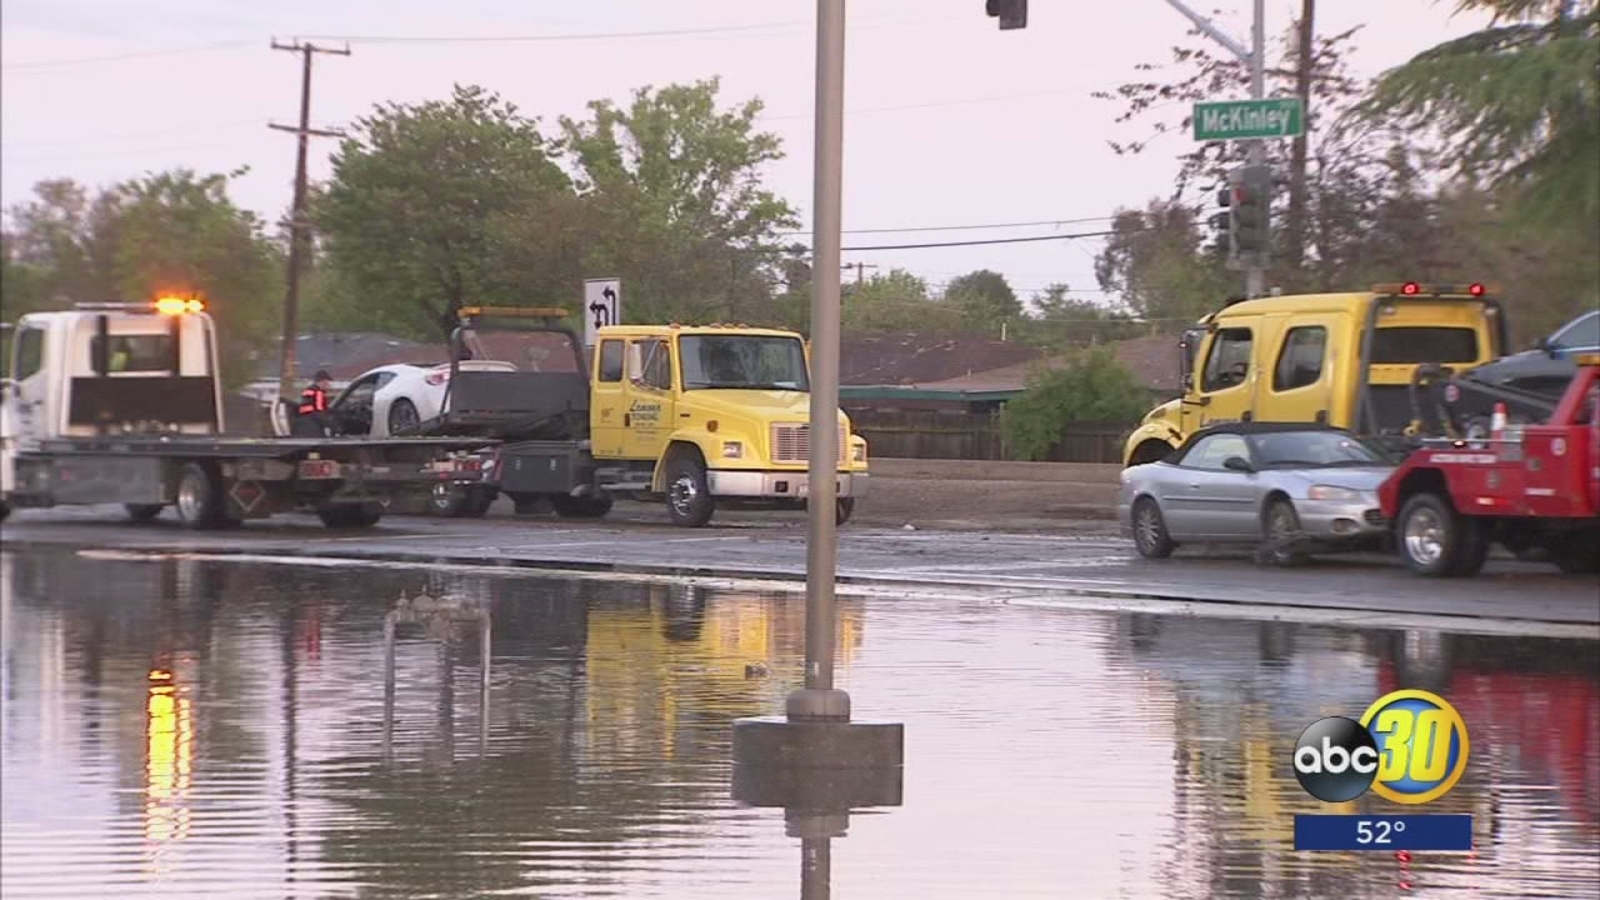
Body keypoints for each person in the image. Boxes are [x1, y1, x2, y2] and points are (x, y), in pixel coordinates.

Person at [293, 370, 334, 437]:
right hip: (314, 427)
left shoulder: (308, 390)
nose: (328, 384)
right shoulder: (318, 393)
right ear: (323, 381)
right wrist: (331, 425)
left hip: (304, 425)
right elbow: (320, 412)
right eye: (327, 382)